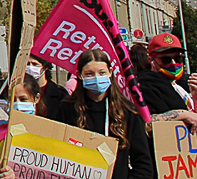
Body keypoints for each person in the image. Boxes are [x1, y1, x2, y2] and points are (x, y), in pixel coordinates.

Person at [51, 50, 153, 179]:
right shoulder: (66, 109)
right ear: (79, 75)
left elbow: (143, 165)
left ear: (110, 73)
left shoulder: (128, 112)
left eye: (102, 73)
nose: (96, 78)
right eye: (89, 74)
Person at [136, 33, 197, 131]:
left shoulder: (181, 86)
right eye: (166, 60)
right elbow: (143, 124)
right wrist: (181, 115)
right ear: (151, 60)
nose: (173, 63)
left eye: (177, 58)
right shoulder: (145, 86)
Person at [0, 74, 43, 167]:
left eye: (23, 99)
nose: (17, 104)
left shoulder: (48, 131)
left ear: (37, 98)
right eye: (12, 100)